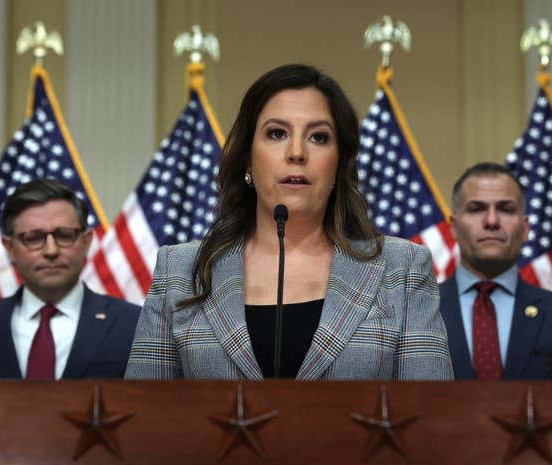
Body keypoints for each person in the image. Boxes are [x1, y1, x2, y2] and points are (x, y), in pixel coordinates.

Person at [125, 64, 452, 380]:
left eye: (318, 138)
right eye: (277, 133)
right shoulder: (181, 271)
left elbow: (429, 417)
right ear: (248, 158)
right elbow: (145, 419)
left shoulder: (401, 269)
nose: (297, 152)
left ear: (339, 164)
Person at [440, 162, 552, 465]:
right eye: (477, 208)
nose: (492, 221)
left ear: (525, 228)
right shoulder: (412, 314)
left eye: (506, 209)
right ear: (454, 226)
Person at [0, 179, 140, 379]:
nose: (51, 250)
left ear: (86, 242)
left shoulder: (136, 326)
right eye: (33, 238)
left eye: (64, 235)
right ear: (10, 248)